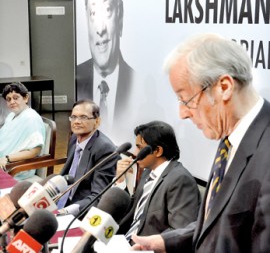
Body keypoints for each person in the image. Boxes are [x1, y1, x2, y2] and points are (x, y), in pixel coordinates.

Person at [131, 33, 270, 253]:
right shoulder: (230, 138)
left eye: (186, 99)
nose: (182, 113)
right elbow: (217, 221)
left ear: (224, 87)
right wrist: (166, 241)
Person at [76, 0, 138, 144]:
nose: (100, 29)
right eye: (93, 13)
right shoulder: (78, 76)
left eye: (108, 10)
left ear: (120, 15)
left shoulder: (136, 83)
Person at [115, 120, 200, 241]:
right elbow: (134, 208)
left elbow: (179, 230)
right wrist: (120, 180)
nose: (135, 153)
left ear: (158, 151)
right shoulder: (148, 172)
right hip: (124, 240)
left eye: (140, 148)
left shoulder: (180, 180)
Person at [57, 99, 118, 217]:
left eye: (83, 117)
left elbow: (98, 195)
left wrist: (66, 211)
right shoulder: (74, 138)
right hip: (62, 198)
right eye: (73, 117)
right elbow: (67, 173)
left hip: (81, 209)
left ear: (97, 122)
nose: (77, 122)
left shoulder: (105, 149)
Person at [0, 82, 45, 180]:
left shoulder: (31, 118)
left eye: (16, 98)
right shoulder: (11, 116)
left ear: (25, 98)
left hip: (16, 167)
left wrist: (7, 158)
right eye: (8, 99)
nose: (12, 102)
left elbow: (34, 151)